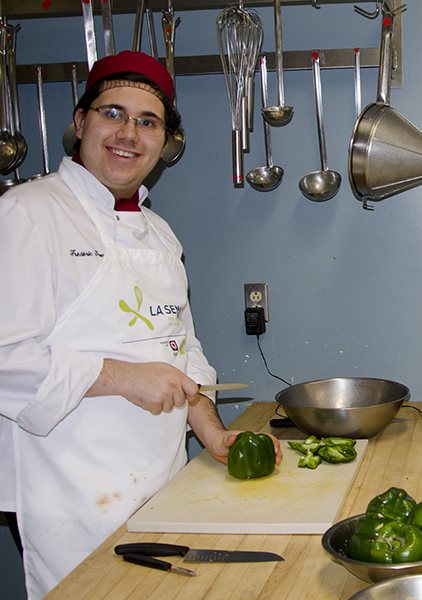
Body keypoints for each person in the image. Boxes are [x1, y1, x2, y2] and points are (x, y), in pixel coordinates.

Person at [0, 50, 281, 599]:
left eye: (147, 121)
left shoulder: (158, 232)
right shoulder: (28, 213)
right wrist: (124, 377)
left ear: (164, 142)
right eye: (113, 113)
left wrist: (212, 433)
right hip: (70, 491)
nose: (129, 133)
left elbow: (183, 351)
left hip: (162, 479)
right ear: (80, 122)